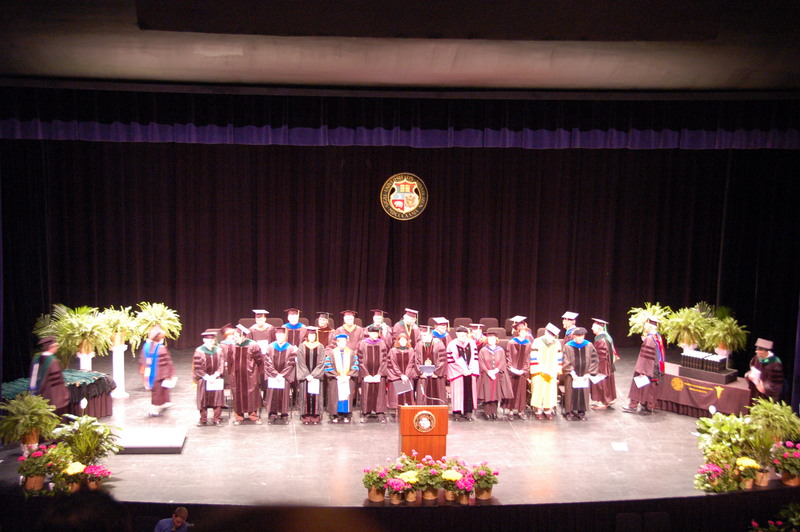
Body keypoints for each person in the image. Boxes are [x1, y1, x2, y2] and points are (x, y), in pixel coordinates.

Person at [623, 316, 666, 415]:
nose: (644, 327)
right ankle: (649, 406)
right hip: (656, 367)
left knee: (638, 383)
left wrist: (642, 370)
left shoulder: (650, 339)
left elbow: (646, 356)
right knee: (651, 386)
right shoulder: (658, 337)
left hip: (648, 366)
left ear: (650, 327)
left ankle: (633, 405)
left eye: (646, 325)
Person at [223, 324, 264, 425]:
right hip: (236, 376)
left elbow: (259, 360)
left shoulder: (253, 345)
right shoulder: (232, 345)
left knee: (251, 395)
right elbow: (229, 360)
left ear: (243, 336)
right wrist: (231, 374)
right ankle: (239, 416)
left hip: (250, 376)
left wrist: (257, 373)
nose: (234, 338)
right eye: (234, 336)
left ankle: (253, 415)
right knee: (237, 394)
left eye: (237, 337)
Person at [562, 327, 599, 420]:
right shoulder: (568, 346)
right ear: (573, 336)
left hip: (584, 374)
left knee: (583, 392)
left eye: (582, 336)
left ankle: (581, 412)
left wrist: (589, 373)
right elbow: (565, 360)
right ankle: (569, 412)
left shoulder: (589, 345)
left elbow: (594, 360)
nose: (580, 338)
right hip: (572, 375)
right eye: (578, 336)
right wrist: (572, 372)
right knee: (570, 393)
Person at [138, 326, 176, 417]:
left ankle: (164, 403)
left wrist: (143, 372)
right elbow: (167, 362)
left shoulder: (146, 347)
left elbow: (142, 360)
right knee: (157, 392)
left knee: (162, 390)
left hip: (150, 372)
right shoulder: (161, 348)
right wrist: (170, 374)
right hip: (159, 374)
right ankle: (153, 409)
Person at [263, 327, 297, 424]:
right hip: (273, 377)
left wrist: (282, 375)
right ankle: (272, 414)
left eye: (281, 335)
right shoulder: (270, 347)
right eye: (278, 335)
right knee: (272, 394)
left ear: (285, 336)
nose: (279, 337)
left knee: (284, 395)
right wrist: (275, 374)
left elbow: (291, 363)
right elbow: (267, 362)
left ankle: (284, 414)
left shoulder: (290, 348)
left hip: (284, 377)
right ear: (275, 336)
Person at [29, 336, 69, 417]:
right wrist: (65, 395)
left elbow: (33, 379)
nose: (57, 348)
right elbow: (58, 382)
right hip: (53, 399)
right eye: (56, 346)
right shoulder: (53, 361)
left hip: (40, 397)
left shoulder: (36, 359)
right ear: (51, 347)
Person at [323, 333, 359, 423]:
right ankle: (336, 415)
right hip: (336, 379)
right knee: (336, 397)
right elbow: (328, 366)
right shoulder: (332, 353)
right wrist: (337, 376)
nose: (343, 343)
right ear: (337, 342)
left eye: (344, 342)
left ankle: (346, 415)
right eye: (341, 342)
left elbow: (355, 365)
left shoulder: (351, 353)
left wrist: (348, 375)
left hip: (348, 379)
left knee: (347, 397)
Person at [530, 323, 563, 420]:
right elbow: (533, 356)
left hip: (551, 371)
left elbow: (559, 357)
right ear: (546, 332)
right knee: (538, 390)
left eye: (553, 335)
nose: (551, 337)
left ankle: (547, 409)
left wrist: (556, 370)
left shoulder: (557, 343)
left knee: (550, 390)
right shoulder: (537, 341)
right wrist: (540, 369)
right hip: (539, 371)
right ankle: (538, 409)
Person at [192, 329, 225, 427]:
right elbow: (197, 367)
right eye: (210, 341)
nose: (212, 342)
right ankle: (203, 419)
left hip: (216, 378)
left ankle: (217, 419)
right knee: (203, 399)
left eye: (213, 340)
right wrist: (207, 377)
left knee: (217, 399)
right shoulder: (199, 351)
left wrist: (215, 375)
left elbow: (221, 364)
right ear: (204, 341)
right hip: (203, 379)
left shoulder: (218, 350)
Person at [478, 331, 513, 420]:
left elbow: (502, 362)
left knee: (496, 394)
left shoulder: (500, 350)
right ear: (487, 340)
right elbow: (481, 362)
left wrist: (496, 370)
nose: (491, 340)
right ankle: (487, 413)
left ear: (496, 339)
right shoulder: (483, 350)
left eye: (493, 339)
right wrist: (488, 372)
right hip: (486, 375)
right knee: (487, 394)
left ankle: (494, 412)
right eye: (489, 339)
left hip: (497, 375)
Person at [447, 326, 479, 421]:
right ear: (457, 335)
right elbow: (451, 361)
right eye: (461, 335)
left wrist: (470, 370)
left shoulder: (472, 343)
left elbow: (474, 358)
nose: (463, 337)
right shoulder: (452, 345)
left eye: (465, 335)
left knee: (469, 392)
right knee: (457, 392)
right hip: (458, 374)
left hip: (469, 373)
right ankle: (457, 412)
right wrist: (462, 371)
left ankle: (468, 412)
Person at [358, 325, 389, 422]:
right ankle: (366, 413)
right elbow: (360, 359)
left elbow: (384, 359)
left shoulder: (382, 343)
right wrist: (366, 374)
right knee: (366, 393)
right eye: (373, 333)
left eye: (376, 333)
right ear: (369, 333)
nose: (375, 335)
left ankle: (380, 413)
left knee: (380, 393)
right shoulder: (363, 343)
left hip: (379, 374)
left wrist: (379, 374)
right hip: (367, 373)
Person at [296, 327, 326, 425]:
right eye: (310, 335)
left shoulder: (320, 346)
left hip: (315, 377)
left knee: (316, 395)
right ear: (307, 336)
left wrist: (313, 375)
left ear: (316, 336)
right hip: (305, 377)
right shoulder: (302, 346)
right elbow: (300, 362)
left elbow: (322, 362)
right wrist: (307, 375)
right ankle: (305, 415)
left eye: (313, 335)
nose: (312, 337)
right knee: (304, 395)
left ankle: (315, 415)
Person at [504, 321, 532, 420]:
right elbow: (508, 356)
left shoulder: (528, 343)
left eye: (525, 332)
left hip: (522, 372)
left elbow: (528, 358)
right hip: (513, 371)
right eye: (522, 332)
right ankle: (511, 411)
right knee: (513, 390)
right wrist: (512, 368)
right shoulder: (511, 342)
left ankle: (520, 411)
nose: (524, 333)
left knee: (522, 392)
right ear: (518, 332)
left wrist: (524, 370)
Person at [414, 324, 448, 405]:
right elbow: (415, 360)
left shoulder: (439, 343)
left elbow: (443, 359)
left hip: (436, 376)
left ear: (431, 334)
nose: (424, 337)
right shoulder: (419, 344)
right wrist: (420, 373)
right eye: (422, 335)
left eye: (426, 335)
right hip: (423, 376)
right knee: (423, 397)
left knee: (437, 394)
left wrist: (436, 373)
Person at [589, 318, 618, 409]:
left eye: (593, 327)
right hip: (607, 366)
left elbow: (601, 356)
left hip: (602, 366)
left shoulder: (601, 340)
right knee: (606, 383)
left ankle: (602, 402)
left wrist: (597, 368)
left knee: (601, 383)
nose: (591, 328)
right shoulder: (604, 337)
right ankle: (608, 400)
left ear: (599, 328)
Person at [746, 338, 784, 402]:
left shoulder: (775, 362)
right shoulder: (757, 357)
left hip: (766, 395)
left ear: (767, 352)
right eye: (758, 352)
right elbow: (752, 367)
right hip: (755, 391)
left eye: (761, 353)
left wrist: (763, 386)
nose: (759, 355)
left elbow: (776, 382)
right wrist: (750, 375)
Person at [387, 331, 416, 416]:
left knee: (408, 396)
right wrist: (401, 375)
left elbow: (411, 363)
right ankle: (398, 413)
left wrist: (406, 375)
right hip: (396, 377)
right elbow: (392, 364)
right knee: (398, 396)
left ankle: (408, 413)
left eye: (405, 340)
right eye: (401, 340)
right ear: (398, 341)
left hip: (408, 377)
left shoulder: (411, 350)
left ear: (407, 341)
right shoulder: (393, 351)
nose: (403, 341)